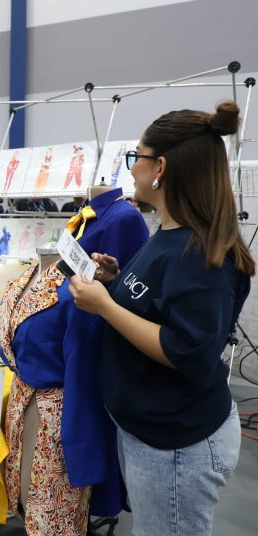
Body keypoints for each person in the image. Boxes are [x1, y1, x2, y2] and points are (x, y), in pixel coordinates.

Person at [70, 100, 253, 536]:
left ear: (161, 168)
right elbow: (159, 304)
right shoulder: (167, 235)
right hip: (149, 431)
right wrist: (116, 281)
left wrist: (106, 306)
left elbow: (186, 349)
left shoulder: (201, 255)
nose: (132, 168)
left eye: (137, 157)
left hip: (176, 445)